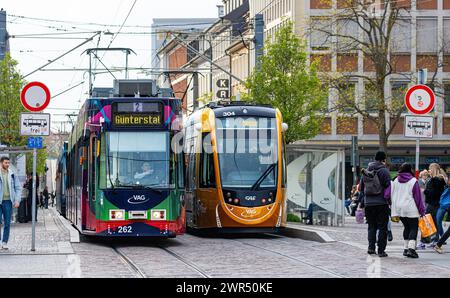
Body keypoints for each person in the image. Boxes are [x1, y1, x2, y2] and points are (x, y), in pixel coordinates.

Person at [359, 151, 392, 257]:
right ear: (384, 159)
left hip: (369, 203)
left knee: (371, 226)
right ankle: (381, 250)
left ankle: (371, 248)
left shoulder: (366, 170)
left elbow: (361, 188)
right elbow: (388, 186)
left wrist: (363, 202)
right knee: (383, 227)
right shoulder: (384, 171)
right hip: (381, 203)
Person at [390, 163, 426, 258]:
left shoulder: (396, 180)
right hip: (411, 208)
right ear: (410, 170)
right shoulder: (413, 181)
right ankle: (411, 249)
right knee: (413, 228)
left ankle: (405, 248)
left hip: (399, 208)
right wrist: (422, 210)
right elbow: (418, 198)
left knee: (406, 227)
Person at [0, 157, 22, 250]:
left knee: (7, 223)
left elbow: (18, 188)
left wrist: (17, 200)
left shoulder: (12, 174)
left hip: (8, 201)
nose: (7, 164)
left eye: (8, 163)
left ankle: (4, 242)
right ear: (1, 163)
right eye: (6, 163)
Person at [423, 163, 447, 246]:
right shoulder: (434, 179)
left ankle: (431, 240)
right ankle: (431, 240)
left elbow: (436, 193)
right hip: (433, 203)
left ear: (433, 169)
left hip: (434, 203)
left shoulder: (437, 180)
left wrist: (425, 191)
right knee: (430, 221)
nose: (429, 170)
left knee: (429, 221)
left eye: (430, 169)